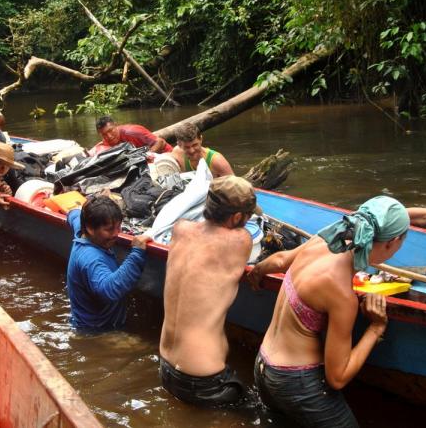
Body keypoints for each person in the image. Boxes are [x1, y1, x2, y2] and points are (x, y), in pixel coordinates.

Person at [248, 196, 408, 427]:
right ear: (392, 242)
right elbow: (337, 378)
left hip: (263, 366)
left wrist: (258, 269)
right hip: (295, 381)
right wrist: (375, 328)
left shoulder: (321, 240)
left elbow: (281, 259)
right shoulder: (342, 294)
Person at [158, 175, 262, 408]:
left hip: (165, 368)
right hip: (205, 383)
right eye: (246, 216)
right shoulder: (240, 240)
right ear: (236, 217)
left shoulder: (180, 229)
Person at [65, 195, 152, 331]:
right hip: (98, 332)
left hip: (87, 323)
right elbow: (109, 290)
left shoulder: (81, 230)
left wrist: (77, 210)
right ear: (90, 228)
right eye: (109, 229)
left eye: (119, 227)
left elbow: (73, 215)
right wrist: (137, 254)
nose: (116, 234)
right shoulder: (91, 259)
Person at [91, 116, 172, 155]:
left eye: (110, 130)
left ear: (116, 125)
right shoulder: (106, 140)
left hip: (166, 154)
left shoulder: (131, 132)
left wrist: (146, 156)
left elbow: (160, 142)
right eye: (104, 134)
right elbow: (99, 147)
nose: (109, 136)